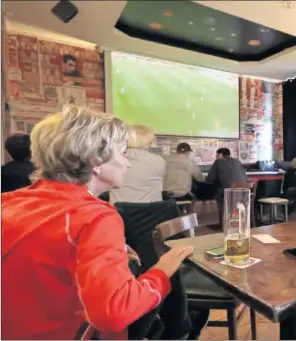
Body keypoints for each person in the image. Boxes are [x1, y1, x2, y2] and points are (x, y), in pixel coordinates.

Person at [1, 105, 194, 340]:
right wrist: (162, 272)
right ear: (95, 160)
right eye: (122, 152)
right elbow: (113, 313)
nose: (128, 163)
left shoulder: (8, 201)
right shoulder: (95, 217)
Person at [110, 124, 166, 203]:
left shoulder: (113, 157)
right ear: (149, 141)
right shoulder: (159, 161)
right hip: (152, 212)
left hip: (119, 211)